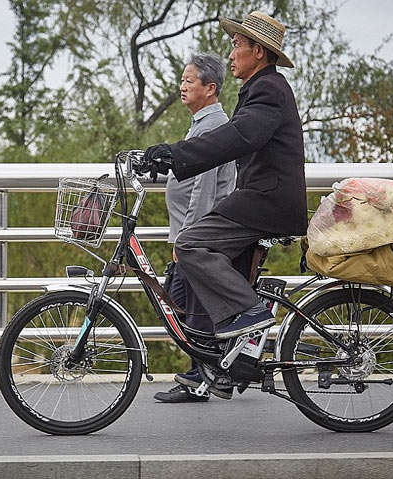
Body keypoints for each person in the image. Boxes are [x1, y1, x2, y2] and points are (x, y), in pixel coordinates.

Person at [140, 11, 308, 390]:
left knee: (191, 242)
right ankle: (230, 360)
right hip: (261, 200)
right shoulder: (261, 90)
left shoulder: (269, 90)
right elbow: (237, 137)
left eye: (237, 45)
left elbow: (238, 138)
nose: (231, 54)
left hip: (267, 202)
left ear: (259, 52)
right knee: (215, 261)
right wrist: (172, 156)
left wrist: (176, 154)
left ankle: (248, 316)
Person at [153, 53, 236, 404]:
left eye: (190, 81)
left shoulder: (211, 126)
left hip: (198, 236)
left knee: (188, 305)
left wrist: (186, 239)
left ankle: (202, 375)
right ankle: (213, 371)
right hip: (196, 234)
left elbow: (203, 190)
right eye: (183, 80)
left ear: (210, 88)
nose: (182, 86)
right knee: (186, 302)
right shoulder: (203, 123)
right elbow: (190, 178)